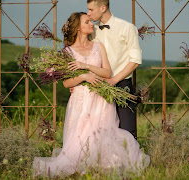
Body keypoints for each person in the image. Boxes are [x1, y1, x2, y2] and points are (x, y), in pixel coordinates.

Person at [32, 12, 149, 178]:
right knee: (81, 136)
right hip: (81, 99)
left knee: (102, 132)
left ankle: (103, 165)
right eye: (87, 22)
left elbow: (107, 72)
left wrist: (85, 65)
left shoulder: (98, 46)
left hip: (100, 98)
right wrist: (83, 76)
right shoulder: (67, 52)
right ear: (78, 27)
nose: (91, 24)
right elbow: (66, 83)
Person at [87, 0, 142, 138]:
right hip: (99, 86)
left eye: (91, 10)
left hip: (122, 85)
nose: (88, 13)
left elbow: (135, 60)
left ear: (103, 8)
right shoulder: (91, 32)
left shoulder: (127, 28)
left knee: (126, 131)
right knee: (100, 132)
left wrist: (114, 80)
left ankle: (130, 161)